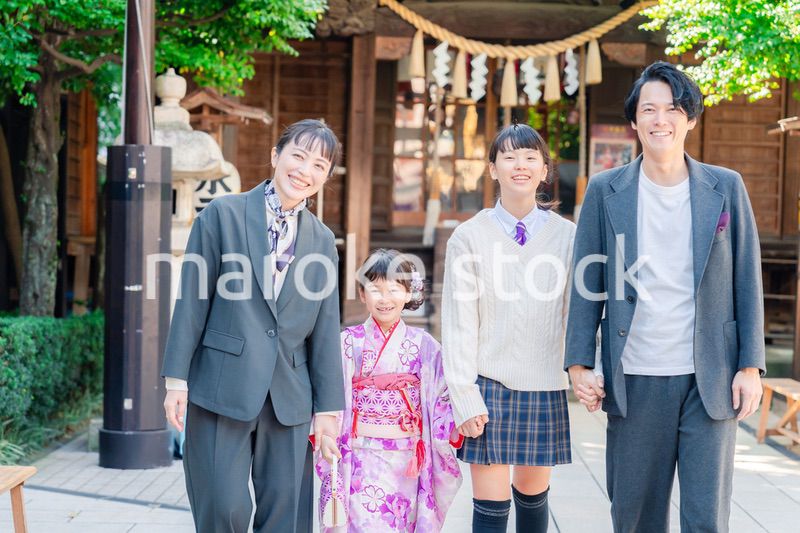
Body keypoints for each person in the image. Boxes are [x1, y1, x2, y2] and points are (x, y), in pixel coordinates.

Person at [565, 61, 765, 532]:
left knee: (706, 518)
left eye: (673, 109)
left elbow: (747, 278)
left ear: (690, 118)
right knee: (634, 516)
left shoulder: (725, 186)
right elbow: (586, 282)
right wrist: (578, 363)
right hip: (635, 377)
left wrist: (750, 366)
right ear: (634, 121)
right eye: (649, 109)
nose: (661, 119)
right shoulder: (605, 190)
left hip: (711, 377)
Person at [161, 119, 345, 533]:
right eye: (298, 156)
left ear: (326, 176)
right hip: (221, 387)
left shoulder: (322, 241)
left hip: (290, 397)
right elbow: (192, 301)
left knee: (285, 517)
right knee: (222, 508)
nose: (305, 171)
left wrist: (328, 410)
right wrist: (176, 381)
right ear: (276, 156)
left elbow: (325, 329)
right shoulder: (222, 216)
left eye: (319, 165)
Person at [442, 123, 575, 533]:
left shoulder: (568, 237)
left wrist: (586, 372)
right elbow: (459, 323)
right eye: (509, 156)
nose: (520, 165)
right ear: (492, 169)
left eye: (531, 157)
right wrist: (463, 396)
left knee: (533, 501)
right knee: (490, 507)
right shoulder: (468, 237)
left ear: (544, 170)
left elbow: (578, 315)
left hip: (546, 383)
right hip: (488, 385)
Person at [315, 249, 463, 532]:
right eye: (376, 289)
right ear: (362, 294)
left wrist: (460, 418)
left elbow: (442, 396)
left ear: (408, 293)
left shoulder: (424, 345)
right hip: (358, 455)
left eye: (394, 289)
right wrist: (328, 433)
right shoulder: (347, 342)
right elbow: (329, 390)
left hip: (406, 459)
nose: (385, 298)